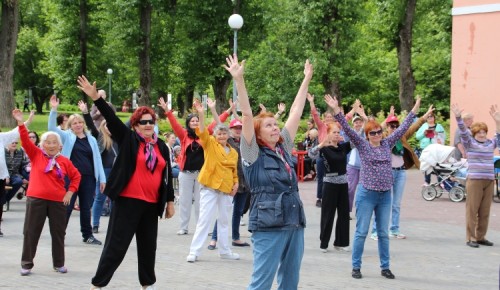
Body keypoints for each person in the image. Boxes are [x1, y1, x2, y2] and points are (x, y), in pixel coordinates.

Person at [77, 75, 175, 290]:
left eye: (151, 121)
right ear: (136, 125)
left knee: (148, 247)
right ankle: (98, 284)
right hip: (128, 201)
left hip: (151, 204)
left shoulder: (161, 146)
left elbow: (166, 176)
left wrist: (169, 201)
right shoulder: (128, 139)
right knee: (116, 246)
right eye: (143, 122)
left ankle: (147, 284)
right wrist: (96, 98)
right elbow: (111, 118)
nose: (148, 125)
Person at [225, 54, 312, 289]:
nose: (276, 128)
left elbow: (295, 111)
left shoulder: (283, 147)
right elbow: (246, 114)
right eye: (269, 125)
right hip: (268, 224)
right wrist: (239, 81)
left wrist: (306, 79)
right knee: (261, 283)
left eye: (276, 124)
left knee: (290, 281)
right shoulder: (252, 153)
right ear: (258, 132)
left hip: (294, 221)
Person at [325, 95, 421, 280]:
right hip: (367, 195)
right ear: (367, 135)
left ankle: (385, 267)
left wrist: (415, 109)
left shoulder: (387, 143)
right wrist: (337, 110)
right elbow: (346, 128)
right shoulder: (362, 145)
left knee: (383, 234)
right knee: (361, 232)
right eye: (373, 133)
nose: (376, 135)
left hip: (385, 196)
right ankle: (356, 266)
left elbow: (402, 128)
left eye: (378, 132)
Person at [13, 109, 81, 276]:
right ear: (42, 145)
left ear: (60, 146)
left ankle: (59, 263)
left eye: (54, 142)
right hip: (36, 199)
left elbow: (76, 176)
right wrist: (21, 123)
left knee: (58, 233)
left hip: (58, 201)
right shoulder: (36, 155)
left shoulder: (64, 161)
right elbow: (25, 141)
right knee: (31, 231)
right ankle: (27, 264)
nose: (51, 145)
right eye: (47, 142)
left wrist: (70, 193)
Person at [175, 98, 239, 263]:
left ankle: (225, 250)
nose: (222, 135)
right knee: (204, 220)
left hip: (226, 189)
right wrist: (203, 113)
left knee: (224, 221)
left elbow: (233, 170)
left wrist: (236, 183)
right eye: (219, 133)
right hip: (210, 187)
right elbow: (202, 131)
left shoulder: (233, 152)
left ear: (228, 135)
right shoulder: (210, 144)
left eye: (225, 133)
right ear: (215, 135)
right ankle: (194, 251)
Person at [370, 104, 435, 241]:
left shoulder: (402, 136)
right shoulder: (382, 139)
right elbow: (374, 129)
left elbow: (414, 126)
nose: (393, 128)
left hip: (400, 172)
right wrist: (387, 118)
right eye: (391, 125)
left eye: (395, 125)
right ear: (386, 127)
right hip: (386, 173)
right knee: (382, 202)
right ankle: (375, 230)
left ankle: (394, 229)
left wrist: (425, 116)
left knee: (396, 203)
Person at [48, 95, 106, 246]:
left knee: (86, 207)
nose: (78, 125)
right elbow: (51, 129)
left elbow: (98, 160)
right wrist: (54, 109)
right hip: (70, 178)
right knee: (66, 206)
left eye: (80, 122)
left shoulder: (91, 139)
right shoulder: (67, 136)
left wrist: (102, 179)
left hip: (88, 178)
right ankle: (60, 235)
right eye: (74, 123)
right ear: (70, 125)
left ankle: (87, 235)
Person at [165, 99, 222, 235]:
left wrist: (228, 111)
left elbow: (218, 122)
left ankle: (202, 227)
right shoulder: (183, 135)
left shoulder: (205, 133)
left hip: (202, 173)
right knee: (184, 201)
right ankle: (183, 227)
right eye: (192, 121)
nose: (195, 122)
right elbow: (174, 123)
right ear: (188, 124)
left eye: (197, 120)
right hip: (186, 173)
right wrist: (167, 111)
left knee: (200, 202)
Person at [451, 103, 500, 248]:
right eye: (479, 132)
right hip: (475, 180)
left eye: (484, 132)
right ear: (474, 133)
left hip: (489, 180)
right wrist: (458, 117)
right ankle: (470, 238)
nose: (482, 134)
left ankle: (480, 237)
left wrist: (497, 121)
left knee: (485, 211)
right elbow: (463, 131)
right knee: (472, 210)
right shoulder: (470, 143)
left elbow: (499, 135)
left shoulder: (491, 143)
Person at [207, 104, 252, 251]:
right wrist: (214, 110)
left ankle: (236, 237)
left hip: (245, 182)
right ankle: (214, 238)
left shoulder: (246, 142)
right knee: (224, 211)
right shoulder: (228, 141)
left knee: (238, 212)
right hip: (231, 182)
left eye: (240, 128)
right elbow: (219, 125)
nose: (238, 131)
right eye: (235, 129)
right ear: (230, 131)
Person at [308, 122, 351, 253]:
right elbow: (310, 154)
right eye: (334, 132)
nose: (337, 134)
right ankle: (324, 243)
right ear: (328, 134)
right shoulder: (324, 149)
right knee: (328, 214)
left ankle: (341, 242)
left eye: (338, 132)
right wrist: (322, 144)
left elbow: (358, 140)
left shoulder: (343, 147)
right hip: (329, 184)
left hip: (343, 184)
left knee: (343, 214)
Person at [78, 100, 118, 233]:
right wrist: (85, 112)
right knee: (100, 197)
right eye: (106, 126)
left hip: (116, 171)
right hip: (104, 171)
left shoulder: (119, 137)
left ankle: (114, 224)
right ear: (103, 127)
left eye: (111, 126)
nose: (109, 128)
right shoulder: (99, 137)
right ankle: (95, 224)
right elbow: (90, 125)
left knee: (114, 198)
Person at [307, 93, 336, 208]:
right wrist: (311, 102)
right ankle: (319, 198)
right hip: (322, 153)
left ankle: (332, 197)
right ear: (324, 118)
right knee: (321, 177)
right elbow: (315, 115)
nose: (329, 119)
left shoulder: (336, 126)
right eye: (327, 117)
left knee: (333, 176)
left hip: (333, 154)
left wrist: (353, 111)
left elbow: (346, 118)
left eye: (331, 117)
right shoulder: (321, 126)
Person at [0, 127, 22, 236]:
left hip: (1, 175)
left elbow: (14, 132)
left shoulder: (1, 138)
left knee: (0, 202)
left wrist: (23, 122)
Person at [416, 113, 446, 186]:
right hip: (426, 148)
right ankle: (427, 181)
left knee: (438, 164)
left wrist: (437, 135)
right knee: (427, 165)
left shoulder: (439, 126)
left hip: (436, 148)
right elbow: (417, 137)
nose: (430, 118)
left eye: (431, 116)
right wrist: (424, 133)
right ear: (426, 118)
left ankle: (440, 181)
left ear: (434, 117)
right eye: (428, 116)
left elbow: (444, 136)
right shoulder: (424, 126)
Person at [346, 114, 366, 219]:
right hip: (352, 165)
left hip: (364, 167)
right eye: (356, 122)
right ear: (353, 124)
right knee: (350, 189)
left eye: (360, 122)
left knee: (363, 190)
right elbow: (355, 139)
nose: (358, 124)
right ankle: (347, 211)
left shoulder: (366, 134)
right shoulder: (351, 134)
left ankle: (360, 211)